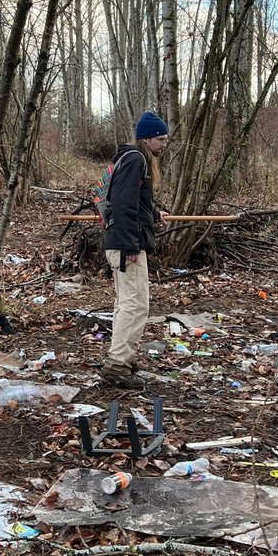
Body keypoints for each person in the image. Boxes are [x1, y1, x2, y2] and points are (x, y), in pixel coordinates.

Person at [101, 112, 169, 389]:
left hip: (124, 241)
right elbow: (123, 205)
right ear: (146, 138)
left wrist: (153, 213)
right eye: (160, 139)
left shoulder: (130, 159)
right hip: (126, 244)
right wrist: (130, 245)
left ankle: (122, 359)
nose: (164, 144)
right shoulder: (135, 159)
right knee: (135, 305)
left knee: (128, 304)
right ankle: (117, 366)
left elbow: (134, 203)